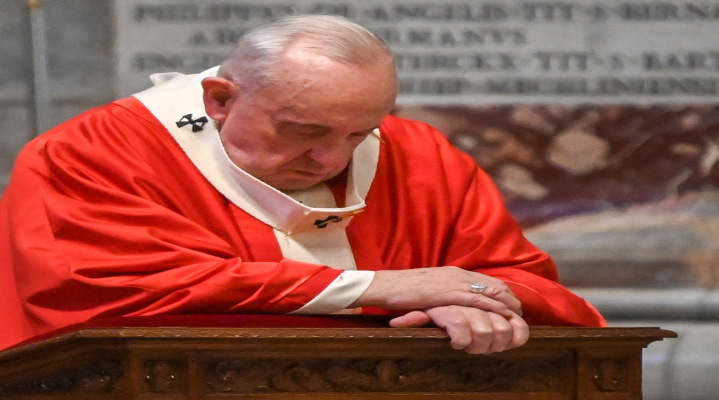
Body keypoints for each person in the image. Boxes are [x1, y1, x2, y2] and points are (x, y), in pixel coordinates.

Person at [0, 15, 605, 354]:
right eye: (303, 131)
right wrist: (383, 288)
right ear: (219, 99)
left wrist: (470, 302)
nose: (330, 159)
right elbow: (111, 293)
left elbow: (518, 279)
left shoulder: (417, 153)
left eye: (359, 132)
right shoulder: (94, 153)